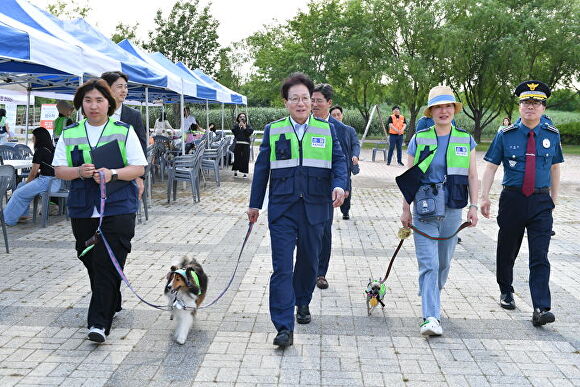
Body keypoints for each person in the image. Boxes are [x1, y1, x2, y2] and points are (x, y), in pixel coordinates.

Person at [247, 73, 347, 348]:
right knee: (281, 267)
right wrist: (255, 204)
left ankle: (302, 301)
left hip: (315, 208)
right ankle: (283, 326)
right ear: (286, 102)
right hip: (283, 209)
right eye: (295, 99)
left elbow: (339, 162)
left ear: (311, 102)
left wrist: (339, 185)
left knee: (308, 262)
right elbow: (262, 170)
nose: (301, 103)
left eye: (305, 98)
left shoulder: (327, 130)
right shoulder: (274, 129)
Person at [53, 78, 147, 343]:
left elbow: (138, 168)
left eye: (99, 100)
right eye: (88, 100)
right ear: (80, 104)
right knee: (90, 259)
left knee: (107, 261)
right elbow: (59, 169)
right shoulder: (70, 133)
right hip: (84, 207)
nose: (93, 106)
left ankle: (98, 323)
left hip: (119, 206)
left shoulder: (124, 130)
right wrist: (79, 172)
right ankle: (112, 299)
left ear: (110, 103)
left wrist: (114, 173)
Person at [480, 80, 562, 327]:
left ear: (543, 108)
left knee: (540, 255)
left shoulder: (551, 135)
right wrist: (484, 196)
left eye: (536, 103)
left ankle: (540, 307)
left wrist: (553, 200)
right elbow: (491, 166)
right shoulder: (505, 135)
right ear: (519, 106)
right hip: (513, 199)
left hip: (540, 201)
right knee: (507, 249)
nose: (531, 107)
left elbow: (556, 168)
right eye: (526, 102)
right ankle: (506, 290)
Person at [400, 85, 479, 336]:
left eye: (448, 106)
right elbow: (408, 178)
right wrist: (405, 210)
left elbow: (473, 176)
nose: (443, 111)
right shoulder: (419, 138)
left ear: (454, 110)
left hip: (454, 208)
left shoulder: (465, 139)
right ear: (431, 111)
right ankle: (431, 316)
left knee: (443, 263)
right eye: (438, 107)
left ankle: (431, 292)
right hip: (424, 208)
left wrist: (474, 206)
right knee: (430, 264)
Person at [311, 84, 360, 291]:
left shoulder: (341, 130)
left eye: (318, 101)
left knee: (324, 232)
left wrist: (343, 186)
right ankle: (307, 268)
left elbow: (344, 162)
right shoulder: (303, 124)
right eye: (311, 100)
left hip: (327, 190)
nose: (313, 105)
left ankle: (320, 272)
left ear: (329, 103)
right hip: (304, 189)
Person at [101, 71, 147, 200]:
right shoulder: (97, 114)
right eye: (119, 86)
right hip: (100, 174)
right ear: (107, 89)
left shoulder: (133, 115)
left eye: (126, 87)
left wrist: (139, 176)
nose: (124, 90)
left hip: (127, 174)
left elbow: (142, 146)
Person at [3, 127, 60, 225]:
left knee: (18, 193)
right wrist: (25, 185)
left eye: (33, 137)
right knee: (20, 185)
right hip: (56, 181)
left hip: (46, 182)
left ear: (38, 138)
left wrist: (27, 184)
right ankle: (22, 215)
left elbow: (33, 173)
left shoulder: (40, 151)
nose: (32, 139)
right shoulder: (53, 149)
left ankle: (7, 220)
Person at [232, 113, 253, 178]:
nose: (242, 118)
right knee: (237, 158)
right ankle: (235, 171)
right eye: (241, 117)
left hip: (246, 144)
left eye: (243, 117)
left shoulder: (248, 126)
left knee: (245, 158)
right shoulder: (236, 126)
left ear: (245, 118)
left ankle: (245, 173)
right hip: (238, 143)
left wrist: (244, 127)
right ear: (238, 118)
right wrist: (239, 126)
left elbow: (248, 133)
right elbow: (235, 134)